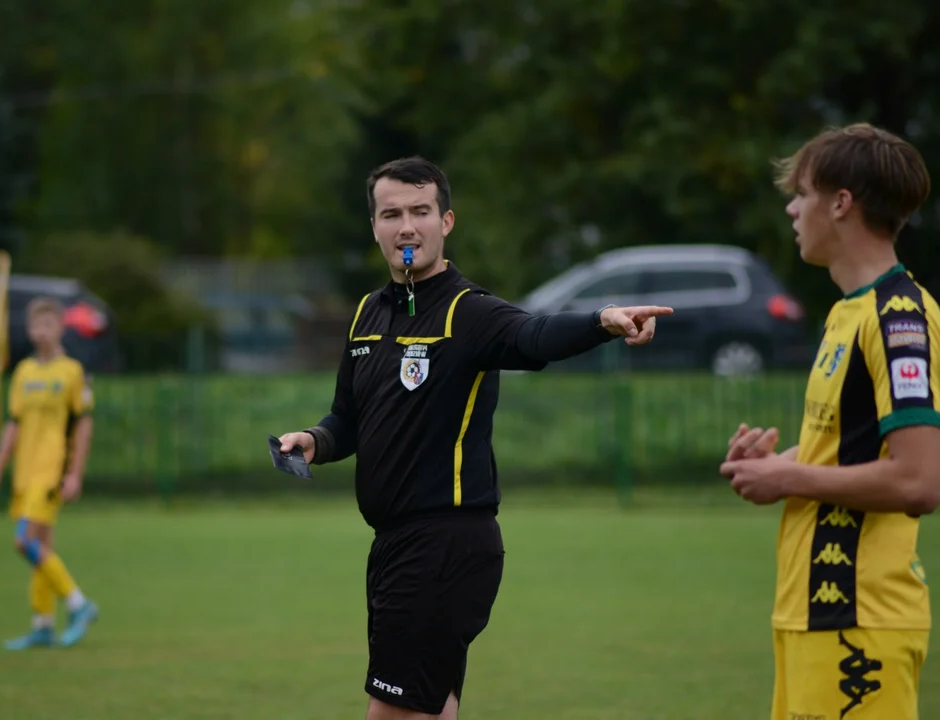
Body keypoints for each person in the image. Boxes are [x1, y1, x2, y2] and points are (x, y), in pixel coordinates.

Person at [277, 156, 673, 720]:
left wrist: (603, 319)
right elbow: (348, 419)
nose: (407, 227)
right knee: (432, 710)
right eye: (392, 214)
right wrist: (314, 441)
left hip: (444, 544)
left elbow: (534, 336)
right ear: (375, 226)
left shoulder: (470, 311)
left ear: (447, 222)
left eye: (421, 211)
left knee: (390, 713)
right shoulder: (367, 313)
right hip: (396, 546)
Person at [720, 123, 940, 719]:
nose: (793, 207)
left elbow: (918, 482)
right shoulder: (849, 312)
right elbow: (850, 451)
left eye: (804, 192)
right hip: (812, 613)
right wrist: (772, 465)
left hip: (858, 618)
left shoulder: (900, 319)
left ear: (841, 203)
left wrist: (787, 480)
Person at [0, 296, 100, 649]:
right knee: (42, 548)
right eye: (35, 326)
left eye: (47, 325)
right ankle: (43, 624)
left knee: (25, 541)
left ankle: (79, 604)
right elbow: (13, 426)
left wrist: (74, 473)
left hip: (51, 472)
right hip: (24, 473)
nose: (40, 332)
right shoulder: (23, 373)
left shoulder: (72, 372)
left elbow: (83, 427)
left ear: (60, 327)